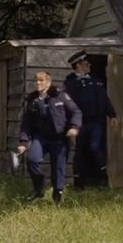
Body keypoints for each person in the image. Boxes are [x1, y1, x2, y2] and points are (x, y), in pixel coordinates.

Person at [18, 71, 82, 204]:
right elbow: (27, 123)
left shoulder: (60, 96)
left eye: (41, 80)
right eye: (36, 80)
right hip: (41, 138)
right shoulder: (33, 100)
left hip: (59, 138)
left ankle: (57, 198)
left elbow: (76, 111)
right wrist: (23, 142)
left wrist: (74, 127)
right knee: (32, 160)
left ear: (48, 81)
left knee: (58, 169)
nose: (37, 83)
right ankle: (39, 188)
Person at [64, 51, 116, 189]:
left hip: (96, 122)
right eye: (86, 63)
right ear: (78, 66)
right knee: (80, 151)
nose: (89, 65)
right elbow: (68, 105)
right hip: (80, 123)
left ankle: (103, 180)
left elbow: (104, 99)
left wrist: (112, 115)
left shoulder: (95, 81)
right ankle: (79, 183)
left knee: (95, 147)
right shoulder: (71, 83)